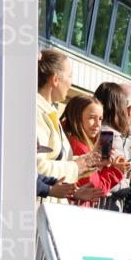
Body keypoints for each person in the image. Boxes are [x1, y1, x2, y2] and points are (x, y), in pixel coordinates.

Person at [36, 49, 99, 183]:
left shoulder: (49, 112)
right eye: (70, 76)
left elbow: (61, 161)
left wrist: (89, 162)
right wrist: (76, 167)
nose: (71, 83)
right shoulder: (37, 112)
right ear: (55, 79)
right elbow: (37, 168)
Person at [61, 95, 125, 201]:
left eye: (100, 119)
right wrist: (116, 170)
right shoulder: (79, 147)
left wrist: (101, 165)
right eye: (91, 118)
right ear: (76, 117)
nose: (97, 124)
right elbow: (95, 189)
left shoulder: (81, 143)